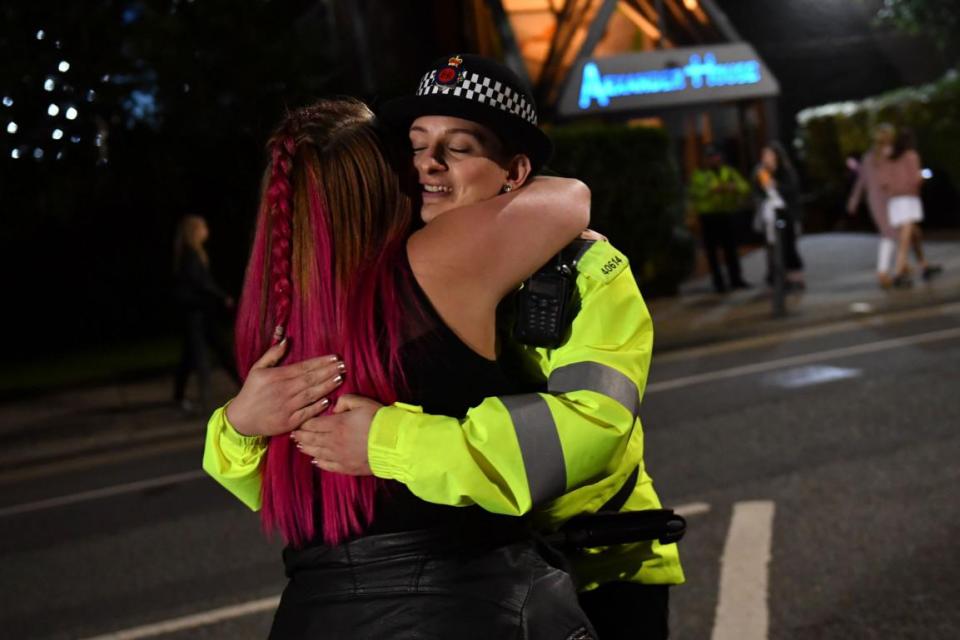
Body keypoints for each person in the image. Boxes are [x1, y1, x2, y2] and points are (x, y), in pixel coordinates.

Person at [207, 54, 683, 639]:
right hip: (506, 574)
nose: (428, 163)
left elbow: (589, 431)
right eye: (414, 145)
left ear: (514, 173)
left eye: (458, 147)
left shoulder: (586, 266)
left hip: (604, 565)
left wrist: (388, 440)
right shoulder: (383, 279)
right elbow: (311, 465)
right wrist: (235, 429)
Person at [171, 214, 238, 413]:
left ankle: (182, 396)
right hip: (195, 314)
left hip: (201, 313)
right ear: (194, 232)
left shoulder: (194, 254)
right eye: (202, 227)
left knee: (199, 354)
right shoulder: (190, 256)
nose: (206, 230)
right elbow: (201, 284)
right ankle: (205, 399)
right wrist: (222, 297)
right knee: (200, 357)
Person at [882, 127, 942, 287]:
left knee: (915, 234)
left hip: (894, 200)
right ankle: (898, 271)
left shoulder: (889, 158)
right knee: (906, 237)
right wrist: (921, 178)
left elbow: (885, 182)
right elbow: (915, 179)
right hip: (908, 199)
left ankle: (924, 265)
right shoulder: (911, 156)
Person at [688, 145, 752, 293]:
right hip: (708, 216)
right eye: (710, 157)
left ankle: (736, 279)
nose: (714, 159)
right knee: (712, 252)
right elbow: (694, 192)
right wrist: (711, 190)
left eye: (716, 156)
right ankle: (719, 283)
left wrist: (733, 187)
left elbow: (744, 187)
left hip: (726, 214)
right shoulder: (699, 174)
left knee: (731, 249)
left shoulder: (728, 171)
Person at [847, 123, 899, 288]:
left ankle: (899, 264)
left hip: (892, 198)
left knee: (896, 232)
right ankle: (883, 270)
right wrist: (854, 200)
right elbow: (862, 181)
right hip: (879, 199)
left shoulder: (889, 154)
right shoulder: (870, 157)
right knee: (889, 232)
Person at [752, 142, 805, 290]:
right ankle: (776, 276)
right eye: (764, 155)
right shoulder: (760, 172)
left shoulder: (786, 171)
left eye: (768, 154)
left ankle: (794, 277)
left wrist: (777, 185)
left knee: (789, 246)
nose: (765, 157)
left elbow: (792, 190)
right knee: (772, 247)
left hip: (787, 214)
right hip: (769, 216)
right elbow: (756, 192)